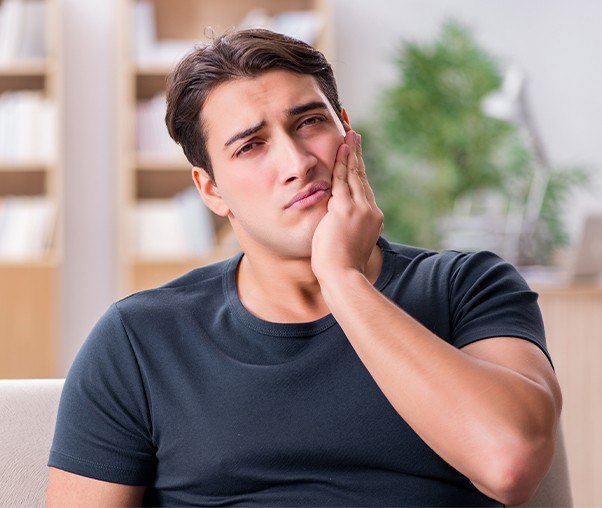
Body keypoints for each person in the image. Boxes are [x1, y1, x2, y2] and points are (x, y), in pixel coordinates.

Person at [46, 28, 562, 507]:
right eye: (251, 146)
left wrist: (342, 280)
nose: (297, 163)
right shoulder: (139, 339)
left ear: (348, 133)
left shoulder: (466, 287)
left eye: (310, 122)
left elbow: (510, 462)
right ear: (211, 189)